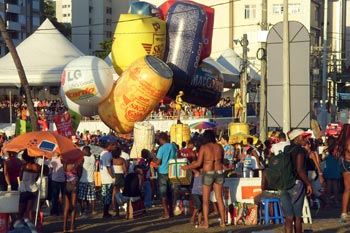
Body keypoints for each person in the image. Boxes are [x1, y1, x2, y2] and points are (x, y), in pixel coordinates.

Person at [182, 130, 226, 228]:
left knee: (205, 200)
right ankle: (223, 222)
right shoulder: (219, 147)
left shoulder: (204, 147)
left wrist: (187, 167)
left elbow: (198, 163)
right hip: (219, 172)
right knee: (219, 198)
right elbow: (222, 161)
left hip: (208, 173)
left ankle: (206, 223)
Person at [281, 129, 313, 233]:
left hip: (284, 184)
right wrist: (308, 183)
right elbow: (300, 169)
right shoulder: (300, 151)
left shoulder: (286, 149)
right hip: (297, 184)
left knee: (289, 217)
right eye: (303, 137)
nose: (306, 139)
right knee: (297, 216)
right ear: (296, 139)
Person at [153, 132, 177, 219]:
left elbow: (158, 162)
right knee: (170, 193)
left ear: (161, 139)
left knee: (163, 194)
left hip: (163, 172)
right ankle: (171, 211)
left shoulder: (161, 148)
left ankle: (166, 213)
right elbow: (176, 157)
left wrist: (153, 156)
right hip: (172, 171)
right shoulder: (173, 146)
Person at [18, 150, 40, 221]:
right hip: (34, 189)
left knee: (20, 212)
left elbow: (20, 178)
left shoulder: (24, 166)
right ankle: (30, 227)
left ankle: (17, 227)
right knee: (29, 211)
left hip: (25, 189)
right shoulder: (37, 167)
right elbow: (36, 179)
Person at [63, 160, 82, 233]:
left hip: (66, 184)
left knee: (66, 207)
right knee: (73, 206)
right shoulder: (77, 164)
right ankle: (72, 227)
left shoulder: (65, 163)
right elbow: (79, 175)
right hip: (74, 184)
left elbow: (64, 175)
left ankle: (64, 228)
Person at [99, 140, 117, 218]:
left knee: (105, 195)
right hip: (108, 178)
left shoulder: (102, 153)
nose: (115, 147)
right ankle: (105, 213)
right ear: (109, 146)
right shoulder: (108, 154)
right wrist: (112, 176)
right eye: (114, 146)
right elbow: (108, 167)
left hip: (104, 177)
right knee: (108, 196)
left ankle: (105, 212)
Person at [78, 146, 97, 216]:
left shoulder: (83, 158)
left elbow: (80, 169)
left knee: (82, 197)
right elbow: (90, 154)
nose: (82, 152)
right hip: (91, 179)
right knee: (92, 196)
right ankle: (93, 210)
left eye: (83, 151)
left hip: (83, 180)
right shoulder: (93, 158)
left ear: (86, 151)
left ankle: (82, 210)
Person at [111, 147, 128, 217]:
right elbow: (125, 171)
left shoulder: (111, 160)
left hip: (114, 177)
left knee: (114, 195)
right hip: (121, 177)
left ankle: (116, 211)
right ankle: (127, 209)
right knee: (125, 194)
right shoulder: (122, 160)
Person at [339, 138, 350, 222]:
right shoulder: (348, 140)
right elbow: (348, 154)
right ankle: (344, 212)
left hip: (346, 163)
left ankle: (344, 212)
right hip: (347, 164)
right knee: (348, 188)